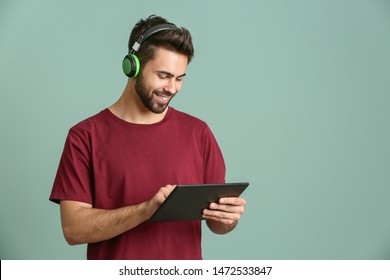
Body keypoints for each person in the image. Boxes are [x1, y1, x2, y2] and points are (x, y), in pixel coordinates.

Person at [49, 15, 246, 260]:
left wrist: (227, 219)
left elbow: (217, 224)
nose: (172, 88)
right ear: (133, 66)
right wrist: (146, 210)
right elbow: (73, 230)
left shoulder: (199, 133)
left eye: (180, 78)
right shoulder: (84, 136)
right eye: (163, 76)